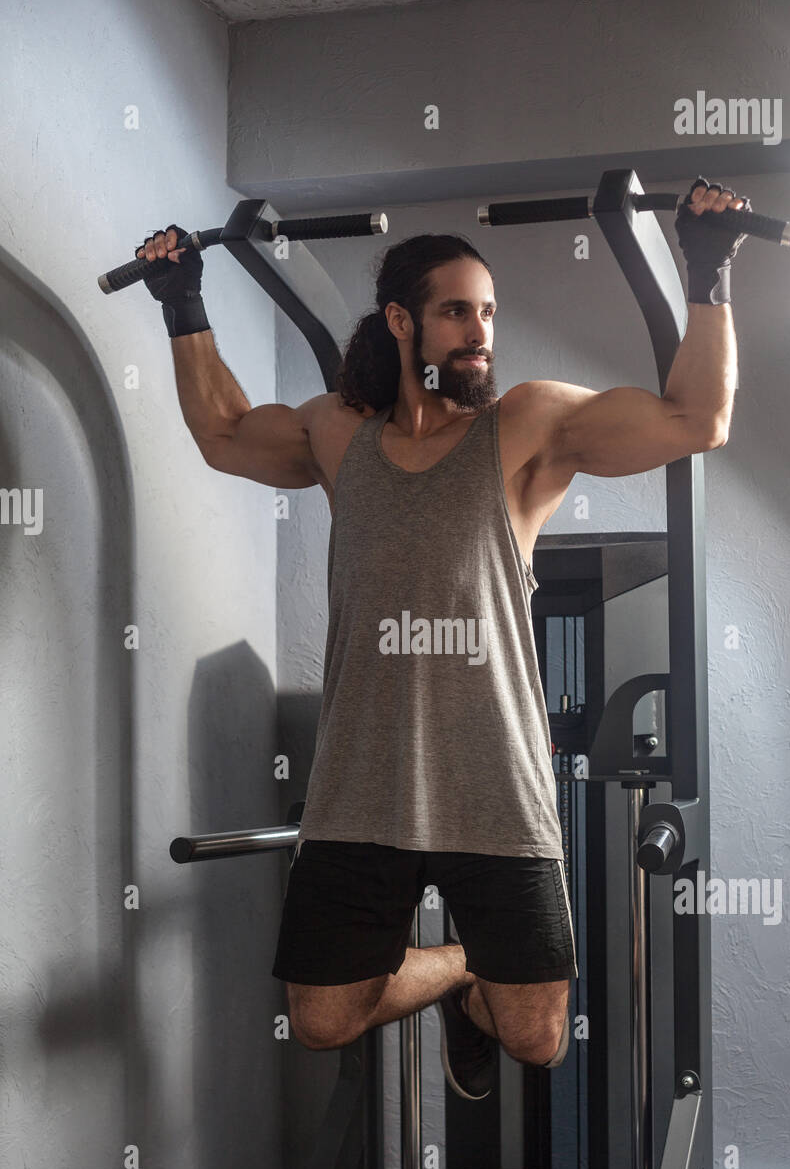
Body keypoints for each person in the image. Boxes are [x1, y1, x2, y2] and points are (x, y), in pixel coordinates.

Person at [137, 177, 748, 1099]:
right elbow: (223, 434)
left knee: (537, 1039)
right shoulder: (337, 433)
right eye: (457, 311)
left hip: (495, 788)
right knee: (319, 1021)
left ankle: (481, 987)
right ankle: (460, 965)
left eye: (489, 313)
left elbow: (697, 419)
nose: (480, 331)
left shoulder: (528, 426)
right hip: (359, 786)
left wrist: (710, 273)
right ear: (400, 321)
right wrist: (184, 304)